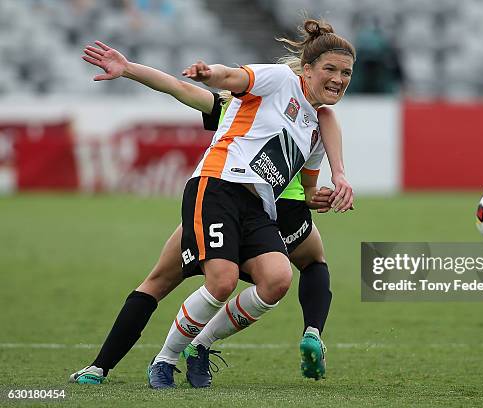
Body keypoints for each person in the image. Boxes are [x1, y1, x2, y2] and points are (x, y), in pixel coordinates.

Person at [69, 19, 354, 387]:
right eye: (330, 69)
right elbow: (213, 81)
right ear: (309, 69)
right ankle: (138, 363)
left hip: (260, 209)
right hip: (217, 187)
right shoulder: (275, 84)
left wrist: (329, 193)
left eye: (346, 72)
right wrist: (194, 73)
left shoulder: (316, 124)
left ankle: (197, 345)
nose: (338, 78)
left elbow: (307, 187)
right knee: (200, 281)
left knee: (278, 279)